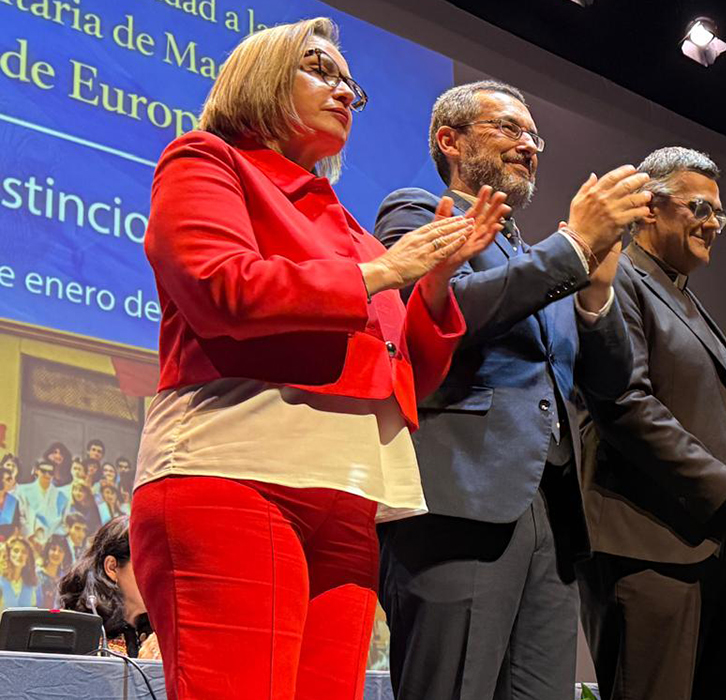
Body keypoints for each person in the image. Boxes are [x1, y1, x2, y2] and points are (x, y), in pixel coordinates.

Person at [129, 17, 503, 699]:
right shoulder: (205, 160)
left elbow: (402, 372)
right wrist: (383, 274)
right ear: (262, 78)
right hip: (236, 477)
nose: (343, 92)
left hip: (347, 496)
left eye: (350, 86)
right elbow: (222, 288)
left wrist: (438, 279)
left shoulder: (347, 223)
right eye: (319, 70)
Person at [373, 80, 636, 700]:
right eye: (509, 129)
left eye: (534, 135)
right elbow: (441, 313)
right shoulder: (416, 211)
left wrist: (596, 292)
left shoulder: (538, 258)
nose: (529, 145)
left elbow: (610, 383)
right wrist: (571, 246)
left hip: (551, 510)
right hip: (461, 499)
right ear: (451, 141)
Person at [578, 146, 726, 700]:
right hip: (649, 548)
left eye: (719, 214)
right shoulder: (615, 277)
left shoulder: (682, 296)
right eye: (701, 209)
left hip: (709, 550)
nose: (713, 225)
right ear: (650, 206)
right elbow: (626, 403)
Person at [57, 516, 159, 658]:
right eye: (147, 566)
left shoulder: (159, 635)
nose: (158, 577)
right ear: (112, 567)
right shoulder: (80, 634)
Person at [17, 461, 68, 541]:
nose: (47, 475)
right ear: (37, 471)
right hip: (29, 538)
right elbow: (20, 516)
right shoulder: (23, 491)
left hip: (52, 541)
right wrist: (31, 535)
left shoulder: (61, 496)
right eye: (43, 471)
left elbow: (63, 521)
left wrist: (52, 539)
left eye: (50, 472)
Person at [1, 534, 39, 609]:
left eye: (24, 552)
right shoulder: (1, 582)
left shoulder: (30, 585)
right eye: (16, 551)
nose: (20, 555)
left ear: (28, 557)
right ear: (8, 553)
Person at [37, 535, 71, 607]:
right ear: (47, 551)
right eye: (53, 549)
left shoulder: (65, 579)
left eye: (60, 551)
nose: (56, 553)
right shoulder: (36, 575)